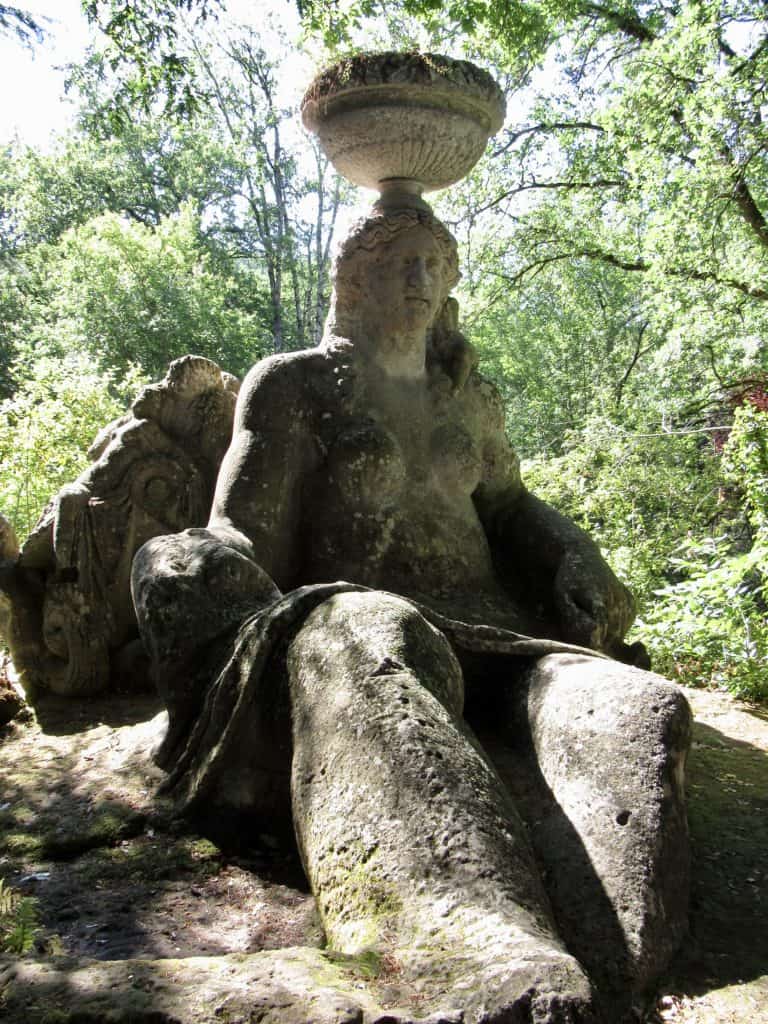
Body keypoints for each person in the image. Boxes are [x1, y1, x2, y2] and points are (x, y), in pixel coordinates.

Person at [132, 206, 691, 1024]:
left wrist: (574, 550)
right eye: (402, 261)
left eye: (436, 262)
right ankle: (457, 940)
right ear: (354, 276)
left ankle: (615, 966)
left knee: (634, 707)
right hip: (351, 621)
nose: (422, 280)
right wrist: (190, 561)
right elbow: (242, 530)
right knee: (381, 639)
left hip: (499, 634)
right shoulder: (294, 384)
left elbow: (508, 507)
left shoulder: (464, 398)